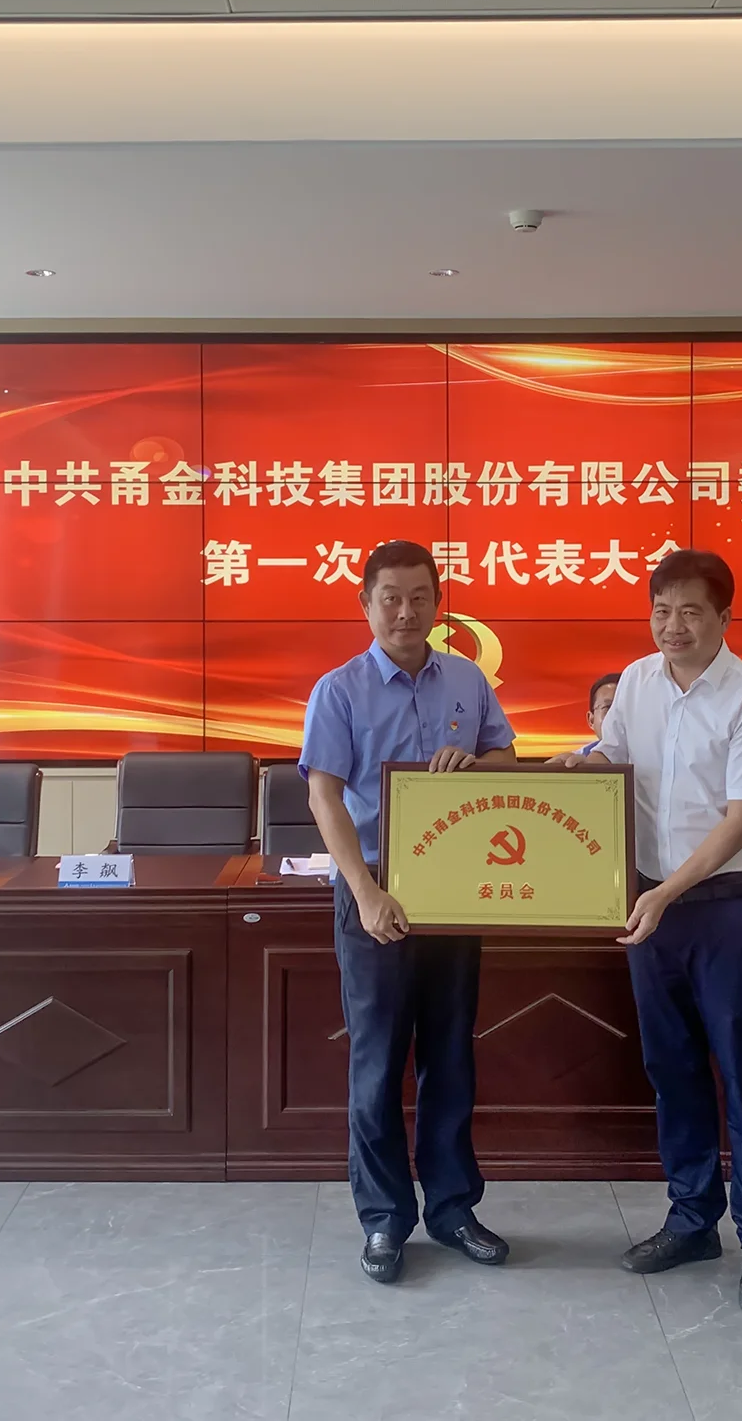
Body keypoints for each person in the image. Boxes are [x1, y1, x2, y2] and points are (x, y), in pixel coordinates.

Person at [557, 549, 742, 1315]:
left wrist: (666, 892)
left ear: (724, 617)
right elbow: (615, 758)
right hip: (649, 906)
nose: (673, 626)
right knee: (673, 1070)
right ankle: (693, 1221)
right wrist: (574, 765)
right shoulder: (635, 681)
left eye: (691, 611)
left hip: (720, 907)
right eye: (661, 611)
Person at [300, 540, 518, 1286]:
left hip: (455, 889)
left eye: (419, 597)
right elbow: (324, 797)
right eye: (390, 597)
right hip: (376, 890)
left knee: (450, 1055)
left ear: (437, 604)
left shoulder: (466, 679)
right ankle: (385, 1218)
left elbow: (505, 760)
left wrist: (475, 765)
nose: (405, 611)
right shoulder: (339, 690)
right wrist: (366, 893)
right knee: (377, 1064)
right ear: (365, 603)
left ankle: (453, 1209)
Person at [572, 671, 620, 757]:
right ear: (591, 720)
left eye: (628, 709)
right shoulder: (576, 761)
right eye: (608, 707)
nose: (618, 717)